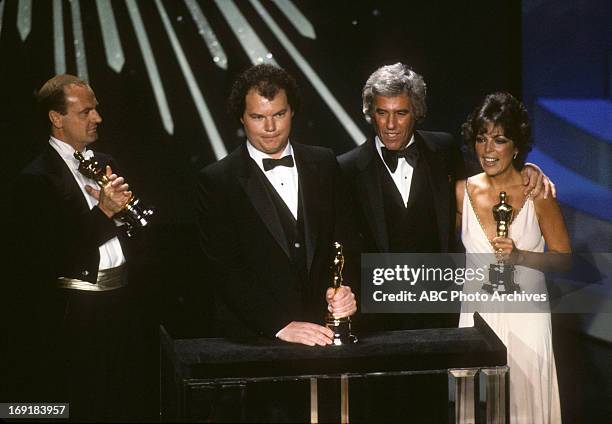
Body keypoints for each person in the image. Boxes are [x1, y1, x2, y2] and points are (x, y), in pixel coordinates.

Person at [6, 74, 146, 421]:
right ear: (56, 118)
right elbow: (54, 254)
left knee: (120, 400)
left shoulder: (105, 161)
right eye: (85, 112)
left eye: (95, 109)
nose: (97, 118)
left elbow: (137, 233)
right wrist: (105, 212)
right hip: (76, 313)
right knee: (79, 403)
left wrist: (129, 214)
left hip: (122, 303)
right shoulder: (36, 179)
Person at [196, 64, 357, 347]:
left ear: (292, 111)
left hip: (326, 331)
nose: (270, 128)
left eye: (278, 114)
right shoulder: (217, 181)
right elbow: (225, 271)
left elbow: (344, 240)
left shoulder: (324, 162)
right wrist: (279, 326)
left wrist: (344, 291)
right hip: (257, 340)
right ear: (242, 118)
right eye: (258, 117)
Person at [456, 92, 570, 423]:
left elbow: (564, 259)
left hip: (526, 318)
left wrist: (520, 255)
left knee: (526, 409)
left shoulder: (538, 193)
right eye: (481, 139)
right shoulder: (462, 192)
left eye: (499, 140)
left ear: (516, 145)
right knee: (477, 410)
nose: (488, 150)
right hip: (477, 317)